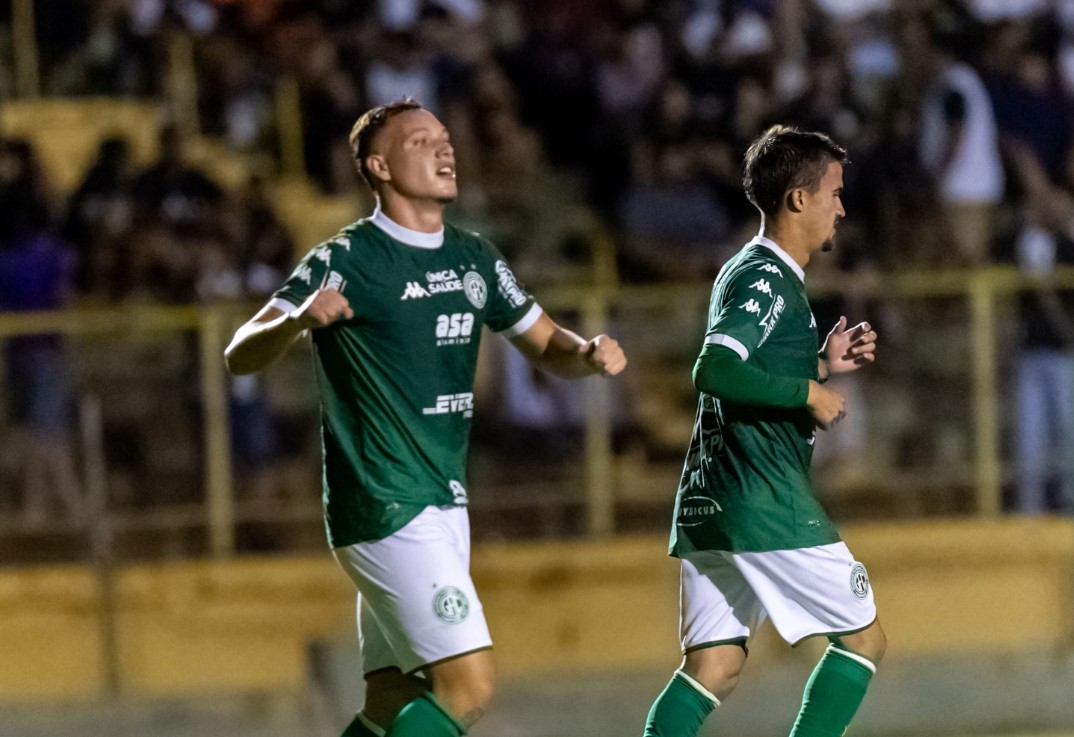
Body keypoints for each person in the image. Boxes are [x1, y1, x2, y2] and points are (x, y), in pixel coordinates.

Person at [223, 98, 626, 737]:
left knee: (392, 702)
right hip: (386, 506)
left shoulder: (474, 256)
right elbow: (239, 352)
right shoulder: (347, 258)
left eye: (444, 137)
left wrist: (585, 353)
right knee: (469, 688)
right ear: (379, 167)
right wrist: (296, 318)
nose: (444, 148)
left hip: (442, 504)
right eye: (420, 141)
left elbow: (546, 342)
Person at [640, 124, 886, 737]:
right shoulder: (766, 278)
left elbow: (749, 368)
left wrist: (819, 364)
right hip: (763, 497)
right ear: (799, 198)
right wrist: (808, 391)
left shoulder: (751, 272)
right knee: (863, 641)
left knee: (714, 667)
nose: (842, 208)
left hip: (711, 498)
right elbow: (714, 369)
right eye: (834, 193)